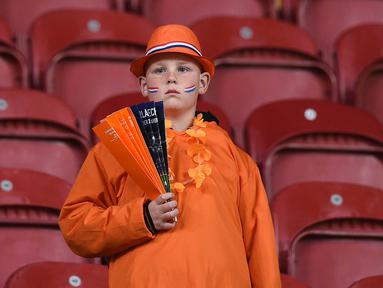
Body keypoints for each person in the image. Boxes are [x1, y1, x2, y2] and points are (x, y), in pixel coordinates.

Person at [59, 24, 281, 288]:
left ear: (203, 83)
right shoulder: (114, 150)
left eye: (183, 69)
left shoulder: (237, 160)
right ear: (144, 85)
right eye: (160, 70)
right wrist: (141, 218)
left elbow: (261, 250)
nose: (171, 78)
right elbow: (75, 226)